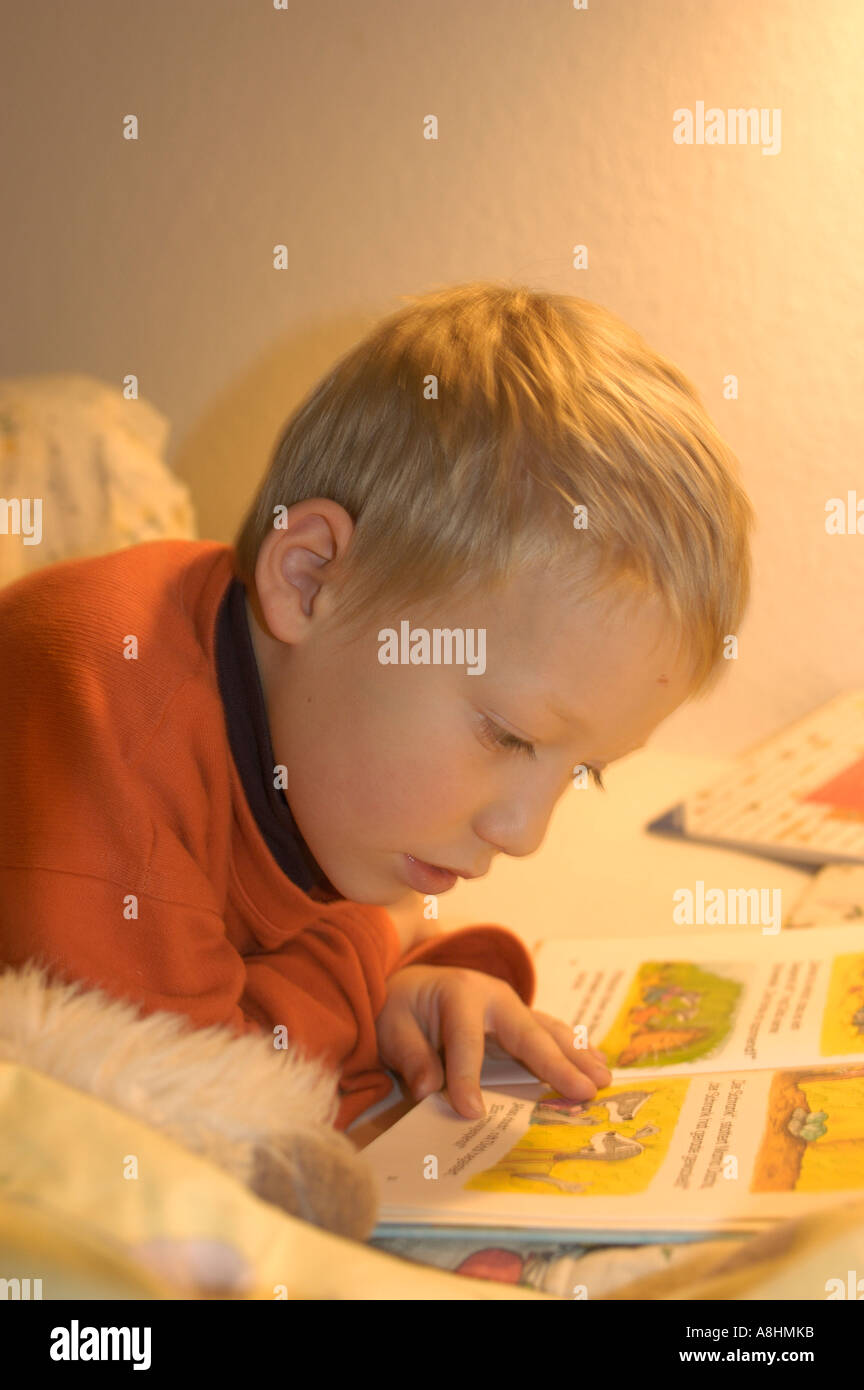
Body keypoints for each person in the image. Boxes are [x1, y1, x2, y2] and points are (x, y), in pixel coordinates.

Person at [0, 281, 753, 1134]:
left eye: (581, 772)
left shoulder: (330, 755)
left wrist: (421, 975)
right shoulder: (105, 722)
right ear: (310, 578)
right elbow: (202, 1121)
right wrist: (370, 964)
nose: (525, 834)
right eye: (508, 735)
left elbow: (304, 938)